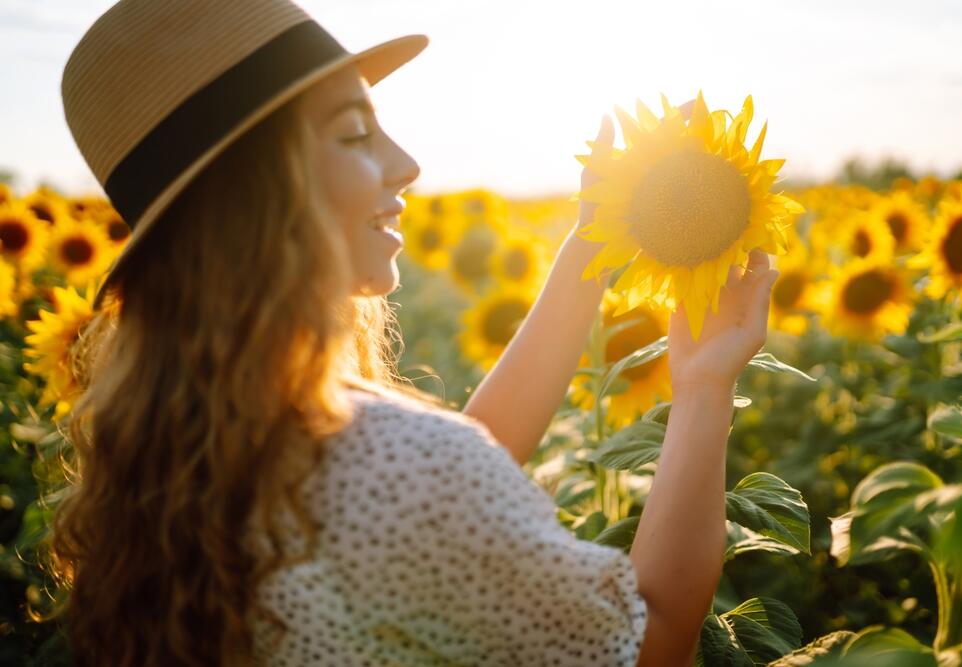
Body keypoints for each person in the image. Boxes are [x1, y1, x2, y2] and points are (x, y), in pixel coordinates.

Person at [49, 0, 781, 665]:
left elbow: (442, 478)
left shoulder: (179, 449)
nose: (406, 163)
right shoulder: (398, 470)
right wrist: (704, 385)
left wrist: (594, 245)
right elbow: (648, 642)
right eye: (355, 133)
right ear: (257, 191)